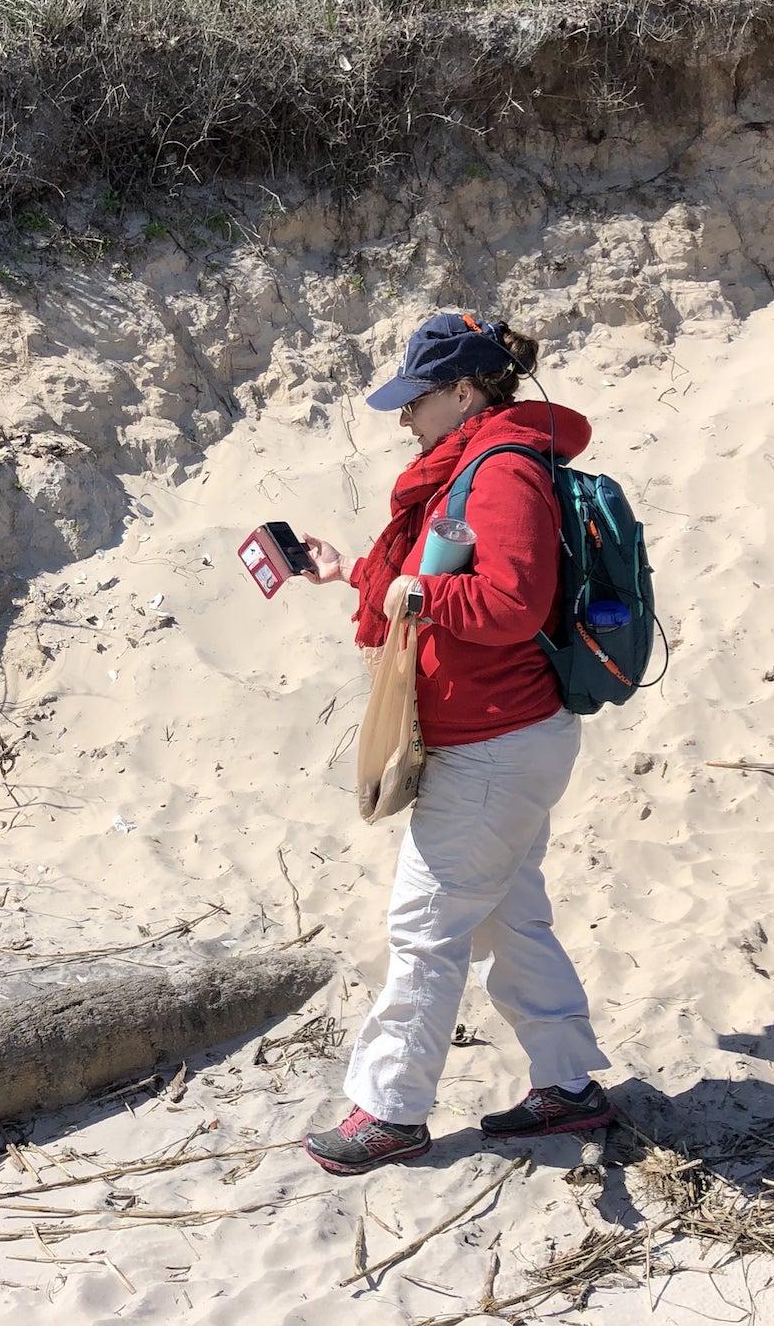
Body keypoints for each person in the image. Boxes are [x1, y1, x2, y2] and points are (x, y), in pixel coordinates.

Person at [297, 311, 614, 1175]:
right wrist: (353, 575)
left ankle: (391, 1111)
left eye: (418, 399)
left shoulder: (503, 471)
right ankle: (570, 1089)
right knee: (512, 917)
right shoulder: (472, 465)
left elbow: (508, 603)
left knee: (425, 930)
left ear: (467, 392)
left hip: (494, 746)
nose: (406, 418)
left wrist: (417, 597)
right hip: (506, 738)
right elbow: (433, 578)